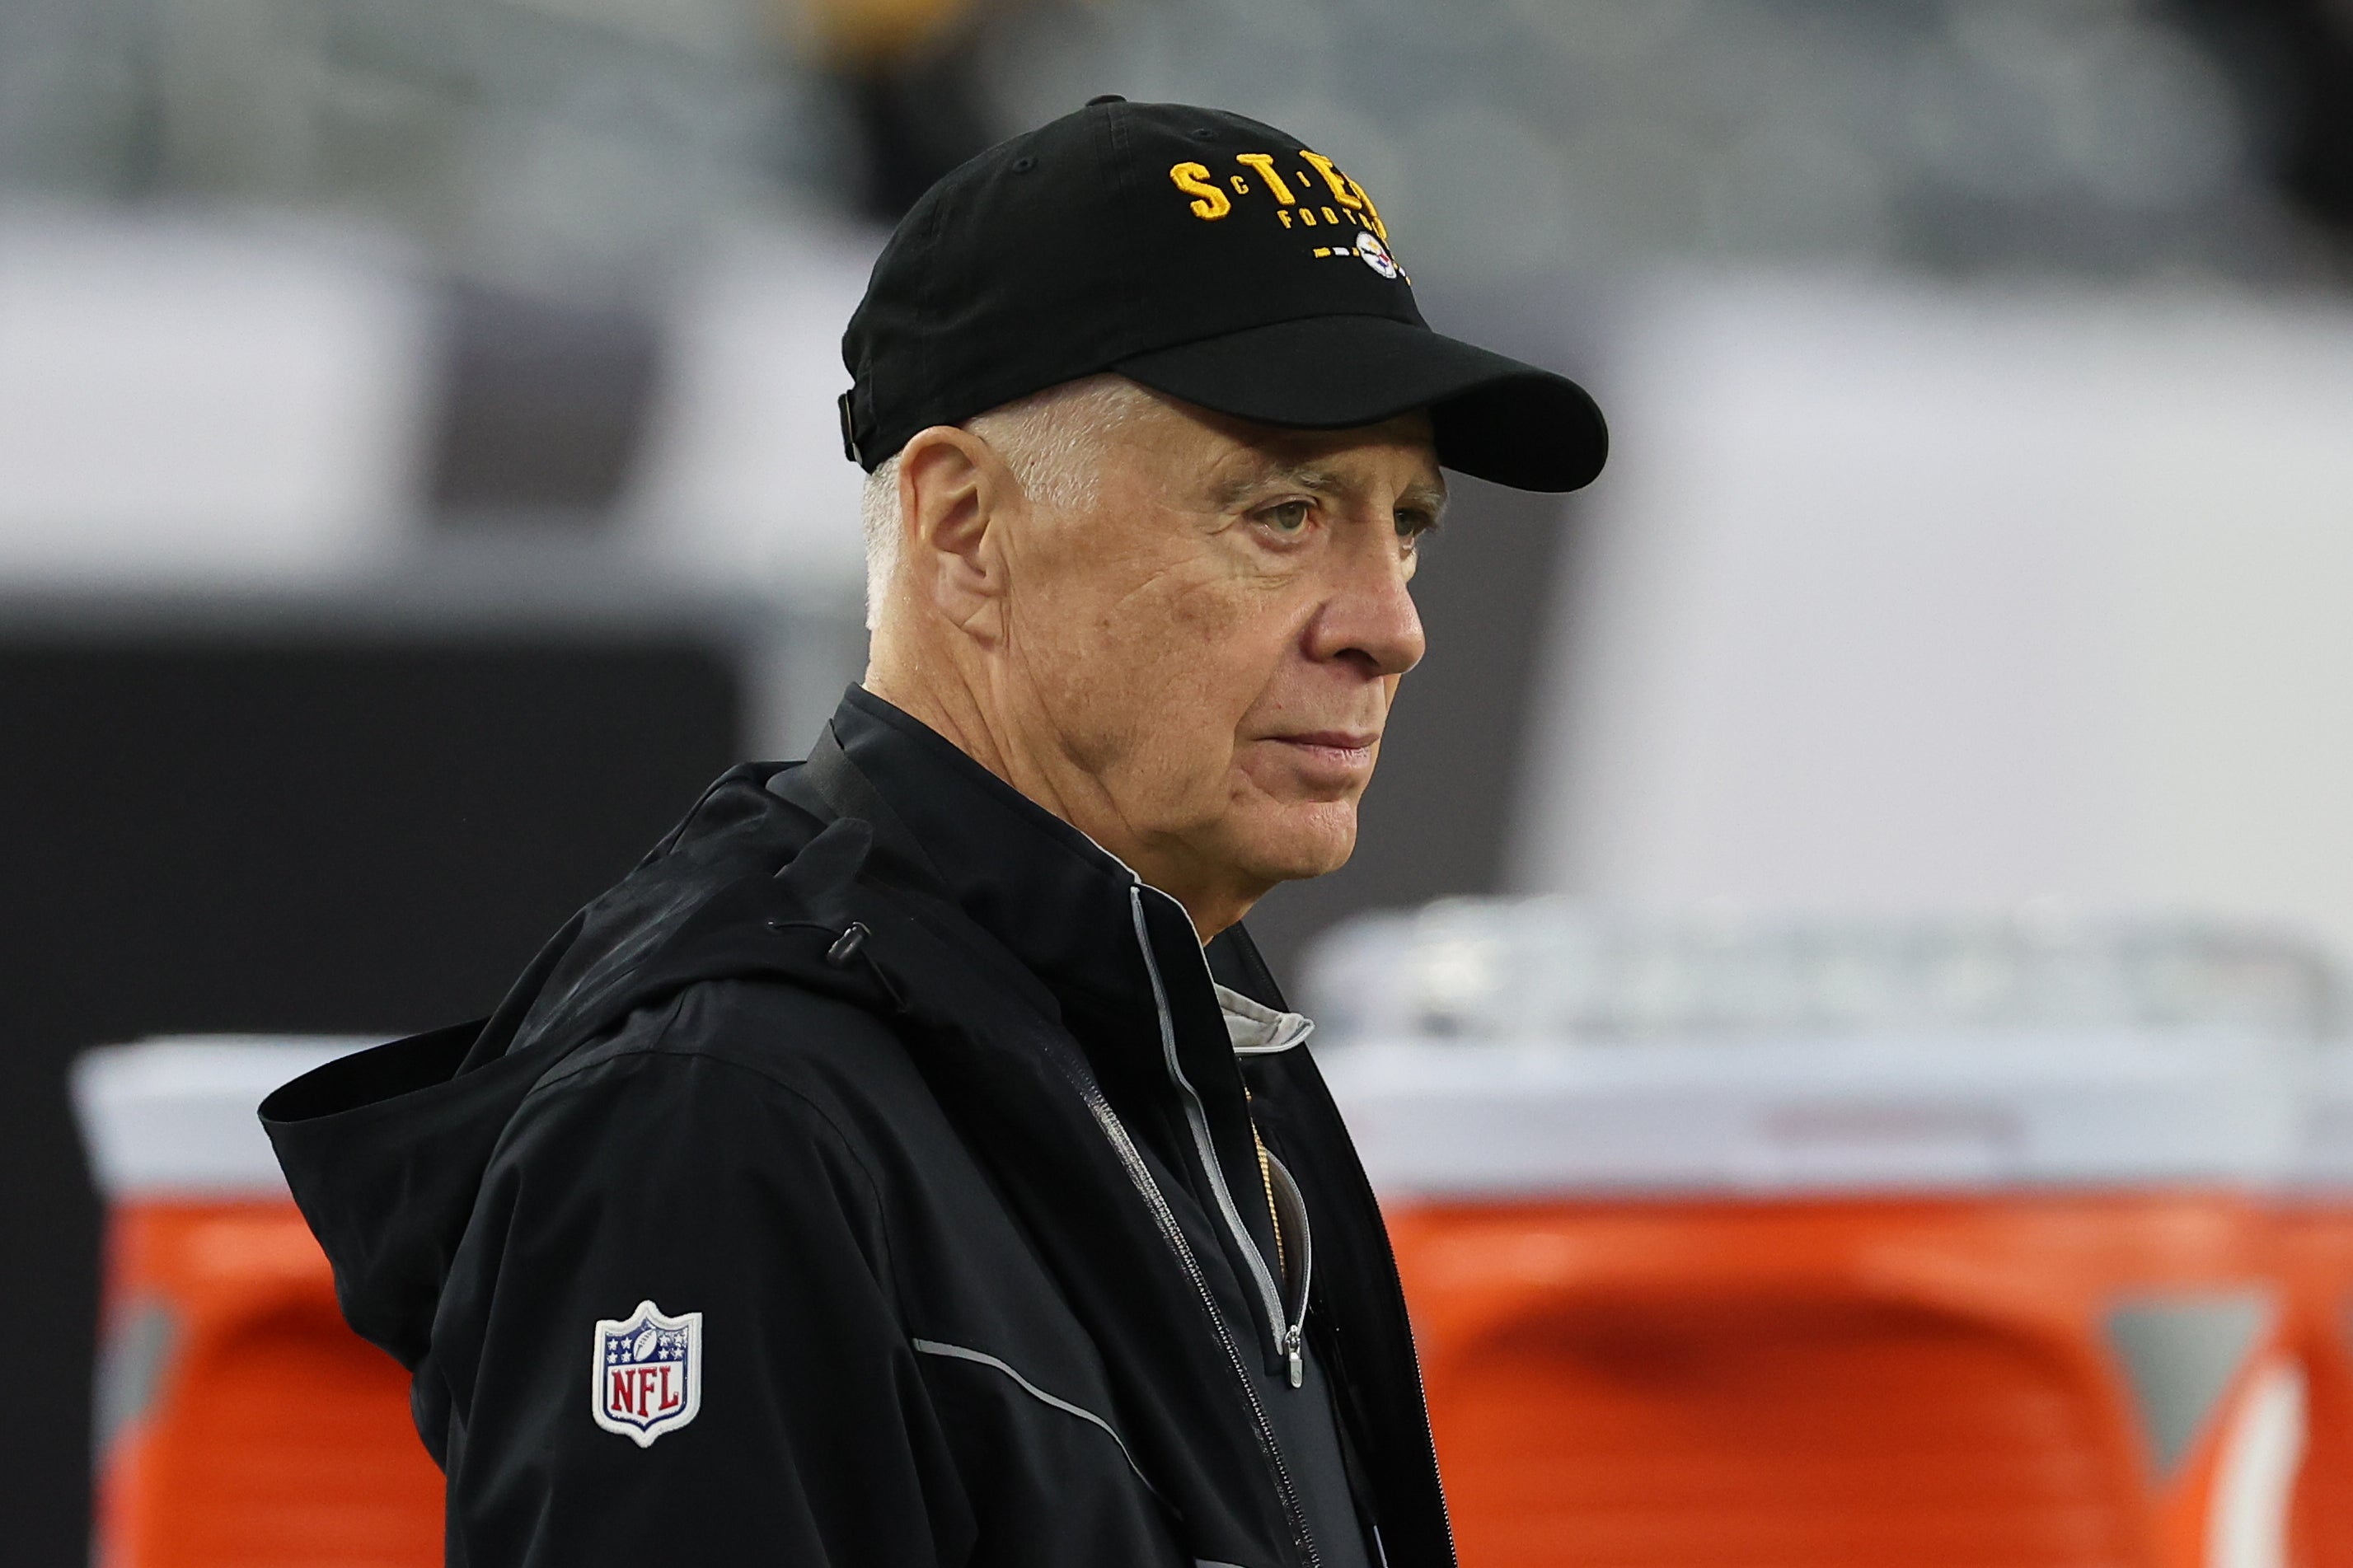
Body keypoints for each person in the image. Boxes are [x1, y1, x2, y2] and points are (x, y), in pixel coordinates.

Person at [264, 97, 1605, 1568]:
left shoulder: (1192, 1050)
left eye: (1403, 523)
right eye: (1284, 512)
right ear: (965, 529)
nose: (1391, 627)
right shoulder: (725, 1118)